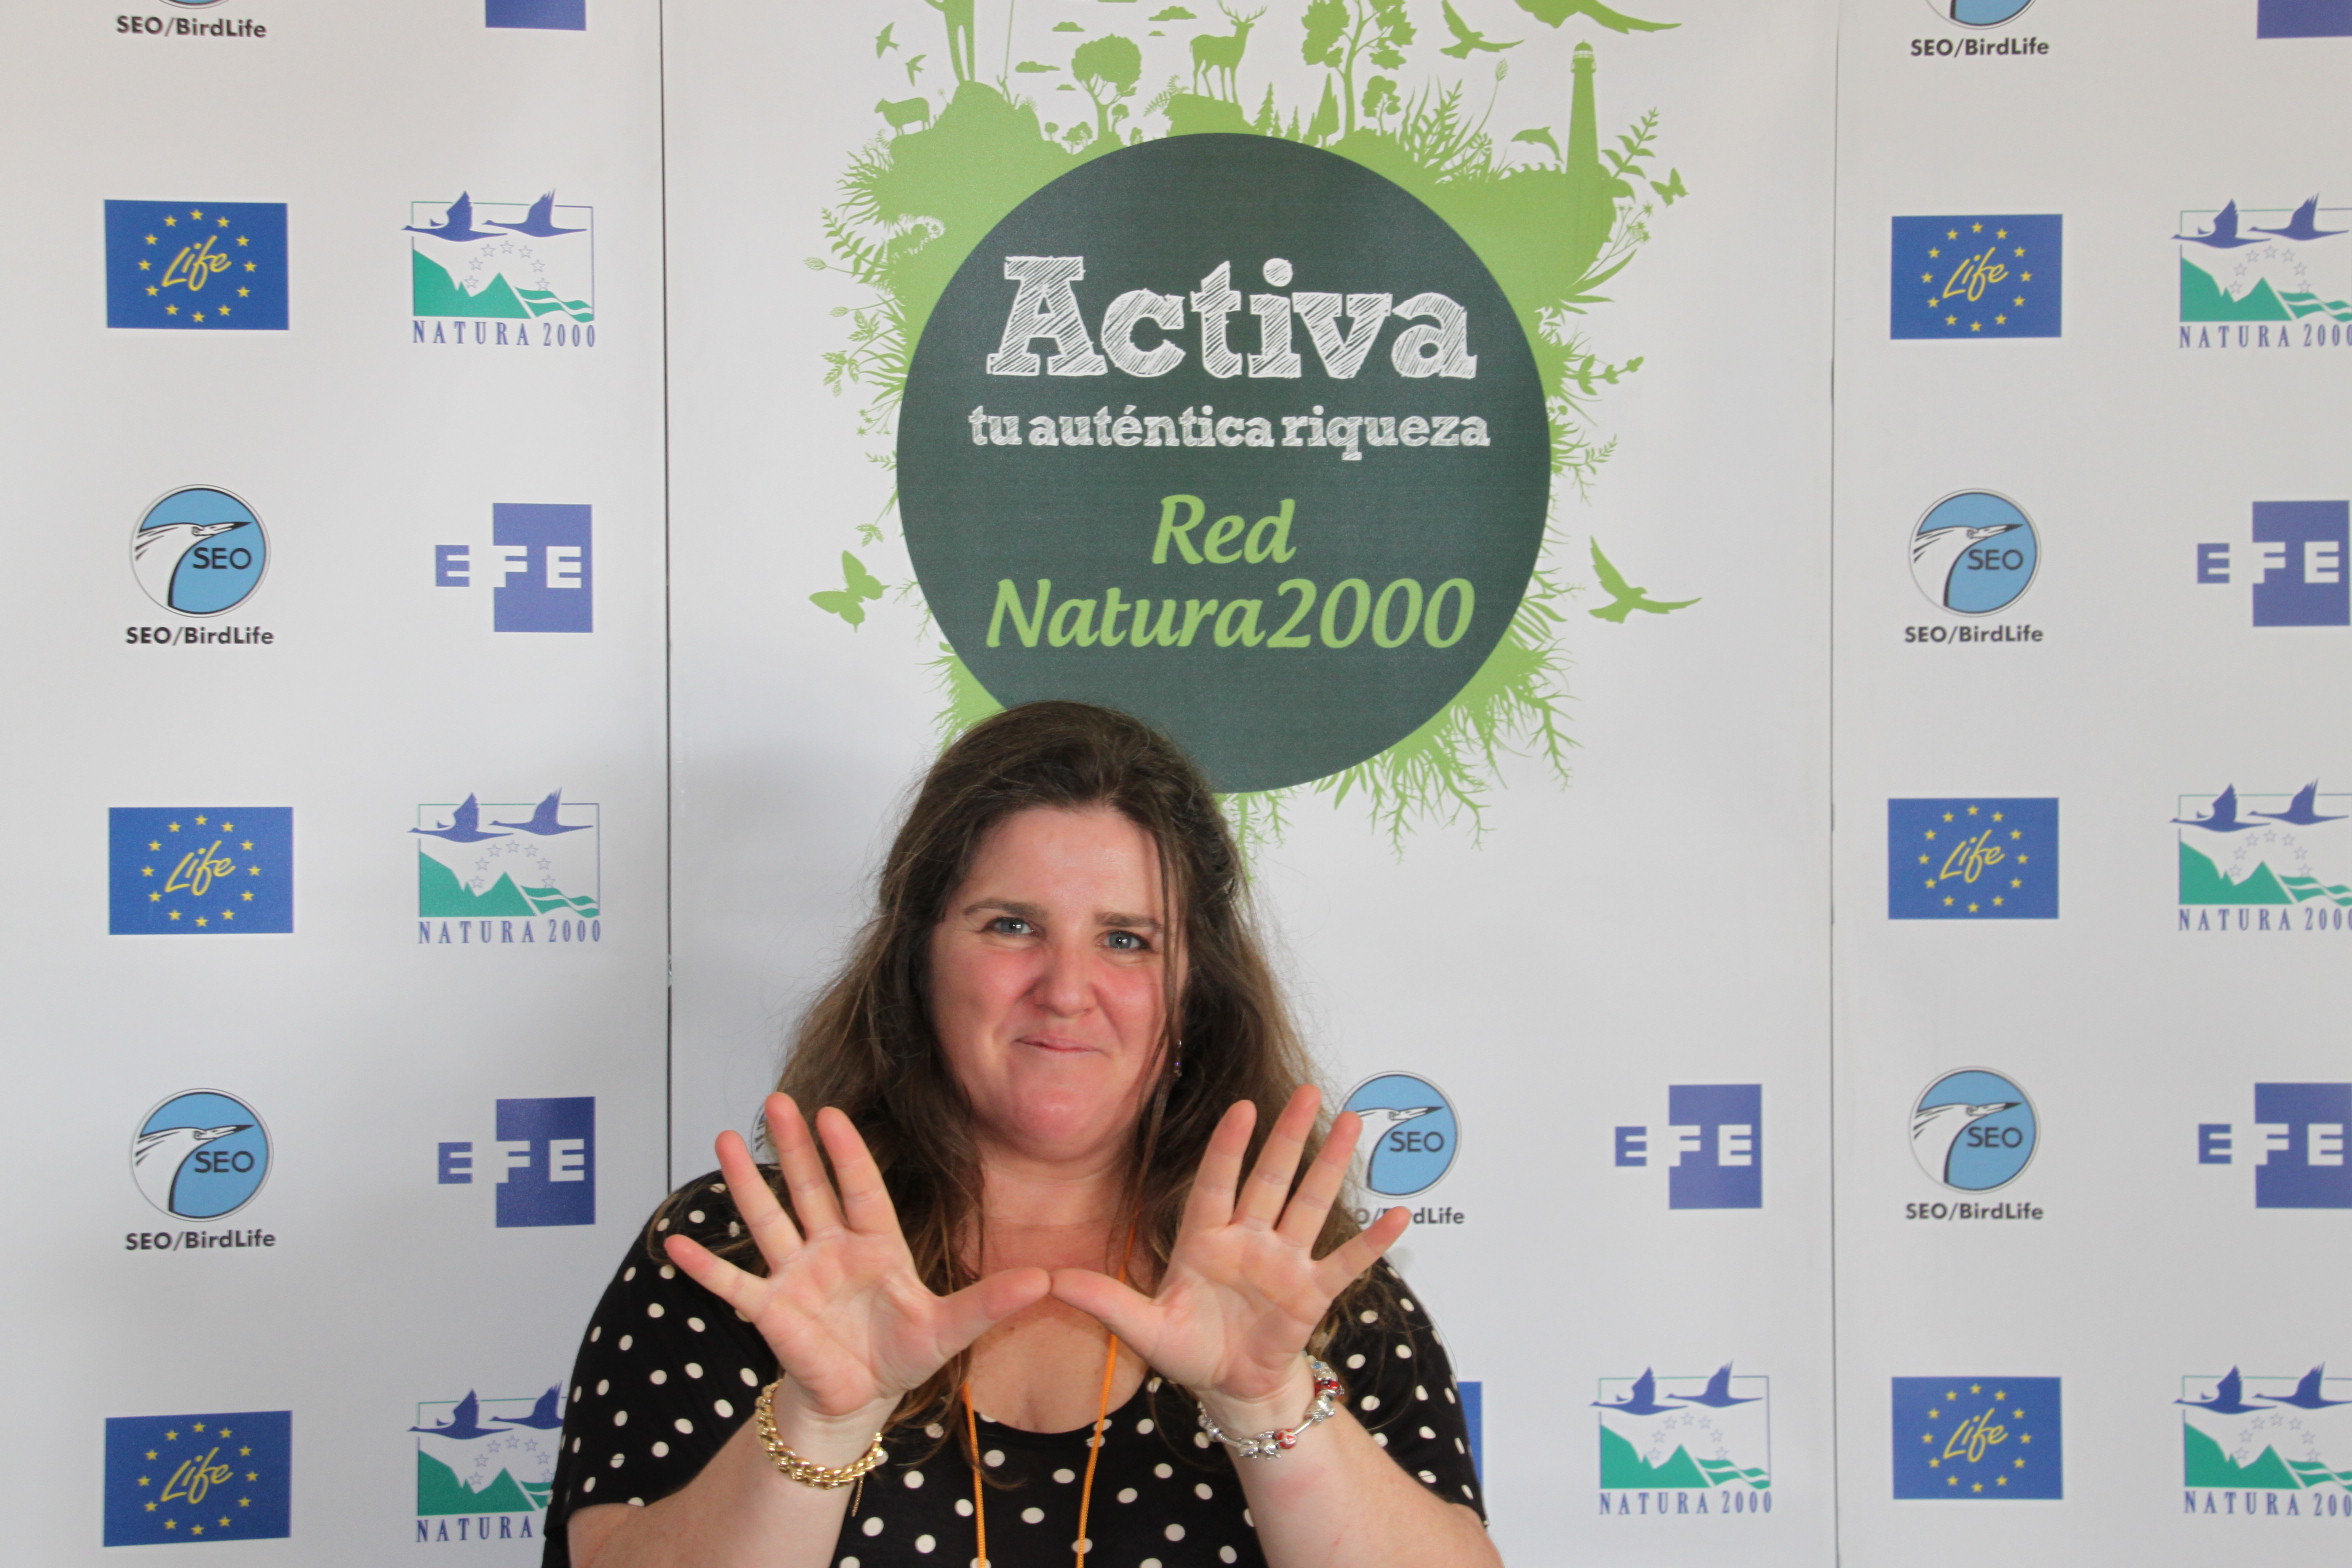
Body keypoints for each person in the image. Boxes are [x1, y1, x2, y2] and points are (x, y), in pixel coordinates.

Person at [546, 701, 1497, 1568]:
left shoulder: (1299, 1271)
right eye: (1011, 926)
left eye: (1128, 938)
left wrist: (1271, 1407)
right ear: (916, 959)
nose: (1067, 989)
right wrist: (816, 1427)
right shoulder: (749, 1256)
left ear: (1193, 989)